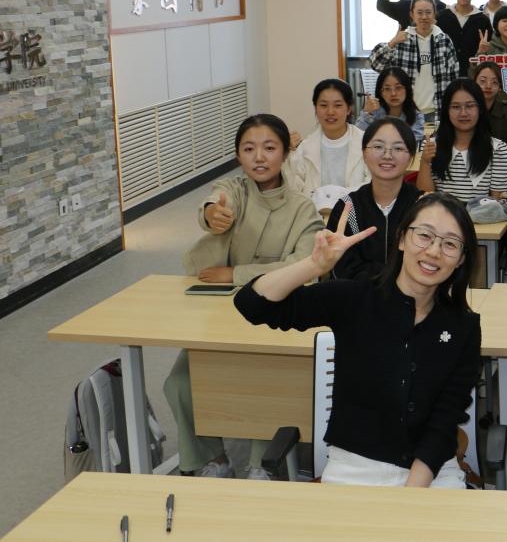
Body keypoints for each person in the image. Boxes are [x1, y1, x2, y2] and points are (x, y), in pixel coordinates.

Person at [235, 192, 480, 488]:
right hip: (354, 468)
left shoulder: (463, 326)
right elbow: (252, 305)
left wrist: (412, 493)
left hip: (431, 471)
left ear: (461, 259)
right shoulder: (356, 298)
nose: (434, 251)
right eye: (424, 236)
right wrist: (314, 266)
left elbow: (446, 419)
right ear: (402, 239)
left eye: (450, 244)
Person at [165, 114, 323, 479]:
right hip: (220, 312)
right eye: (249, 149)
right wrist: (211, 214)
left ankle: (261, 465)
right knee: (179, 383)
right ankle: (210, 458)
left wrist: (236, 274)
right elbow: (214, 202)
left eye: (269, 148)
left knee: (259, 380)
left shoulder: (303, 208)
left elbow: (303, 265)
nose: (259, 157)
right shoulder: (235, 191)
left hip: (275, 315)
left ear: (285, 153)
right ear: (238, 155)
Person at [328, 117, 422, 281]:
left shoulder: (422, 207)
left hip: (413, 295)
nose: (387, 155)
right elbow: (341, 268)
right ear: (364, 153)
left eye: (398, 148)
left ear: (411, 157)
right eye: (378, 147)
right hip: (358, 295)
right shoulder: (347, 208)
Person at [417, 79, 507, 205]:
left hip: (482, 215)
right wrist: (425, 161)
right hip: (441, 214)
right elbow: (425, 197)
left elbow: (497, 202)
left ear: (480, 109)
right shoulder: (431, 146)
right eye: (456, 107)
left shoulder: (498, 148)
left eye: (470, 106)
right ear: (447, 111)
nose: (463, 113)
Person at [369, 0, 459, 123]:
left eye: (428, 12)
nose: (424, 17)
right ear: (412, 14)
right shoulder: (402, 39)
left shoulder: (444, 40)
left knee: (432, 137)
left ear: (434, 14)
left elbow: (453, 77)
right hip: (406, 111)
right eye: (419, 12)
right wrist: (392, 42)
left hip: (435, 111)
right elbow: (376, 65)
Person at [288, 78, 371, 201]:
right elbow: (293, 191)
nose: (330, 112)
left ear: (349, 109)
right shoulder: (304, 148)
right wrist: (288, 155)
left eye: (337, 105)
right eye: (323, 105)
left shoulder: (366, 143)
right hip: (314, 211)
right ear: (315, 108)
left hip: (356, 210)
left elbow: (372, 185)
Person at [436, 0, 493, 74]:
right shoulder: (441, 17)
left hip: (473, 73)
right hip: (445, 73)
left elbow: (488, 49)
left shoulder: (482, 20)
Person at [356, 66, 425, 148]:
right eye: (387, 89)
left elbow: (412, 146)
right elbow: (357, 138)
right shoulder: (373, 112)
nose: (393, 93)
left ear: (407, 90)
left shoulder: (416, 116)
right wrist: (367, 113)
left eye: (398, 88)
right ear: (381, 92)